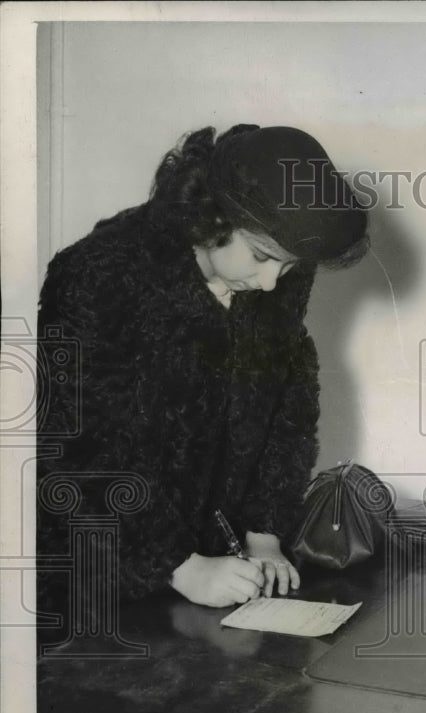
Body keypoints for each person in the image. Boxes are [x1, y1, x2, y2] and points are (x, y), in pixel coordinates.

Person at [36, 125, 368, 619]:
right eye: (261, 257)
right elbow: (86, 449)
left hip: (218, 571)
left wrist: (264, 534)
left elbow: (289, 404)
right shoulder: (95, 275)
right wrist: (178, 565)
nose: (273, 281)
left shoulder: (272, 271)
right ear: (212, 216)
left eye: (291, 265)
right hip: (96, 577)